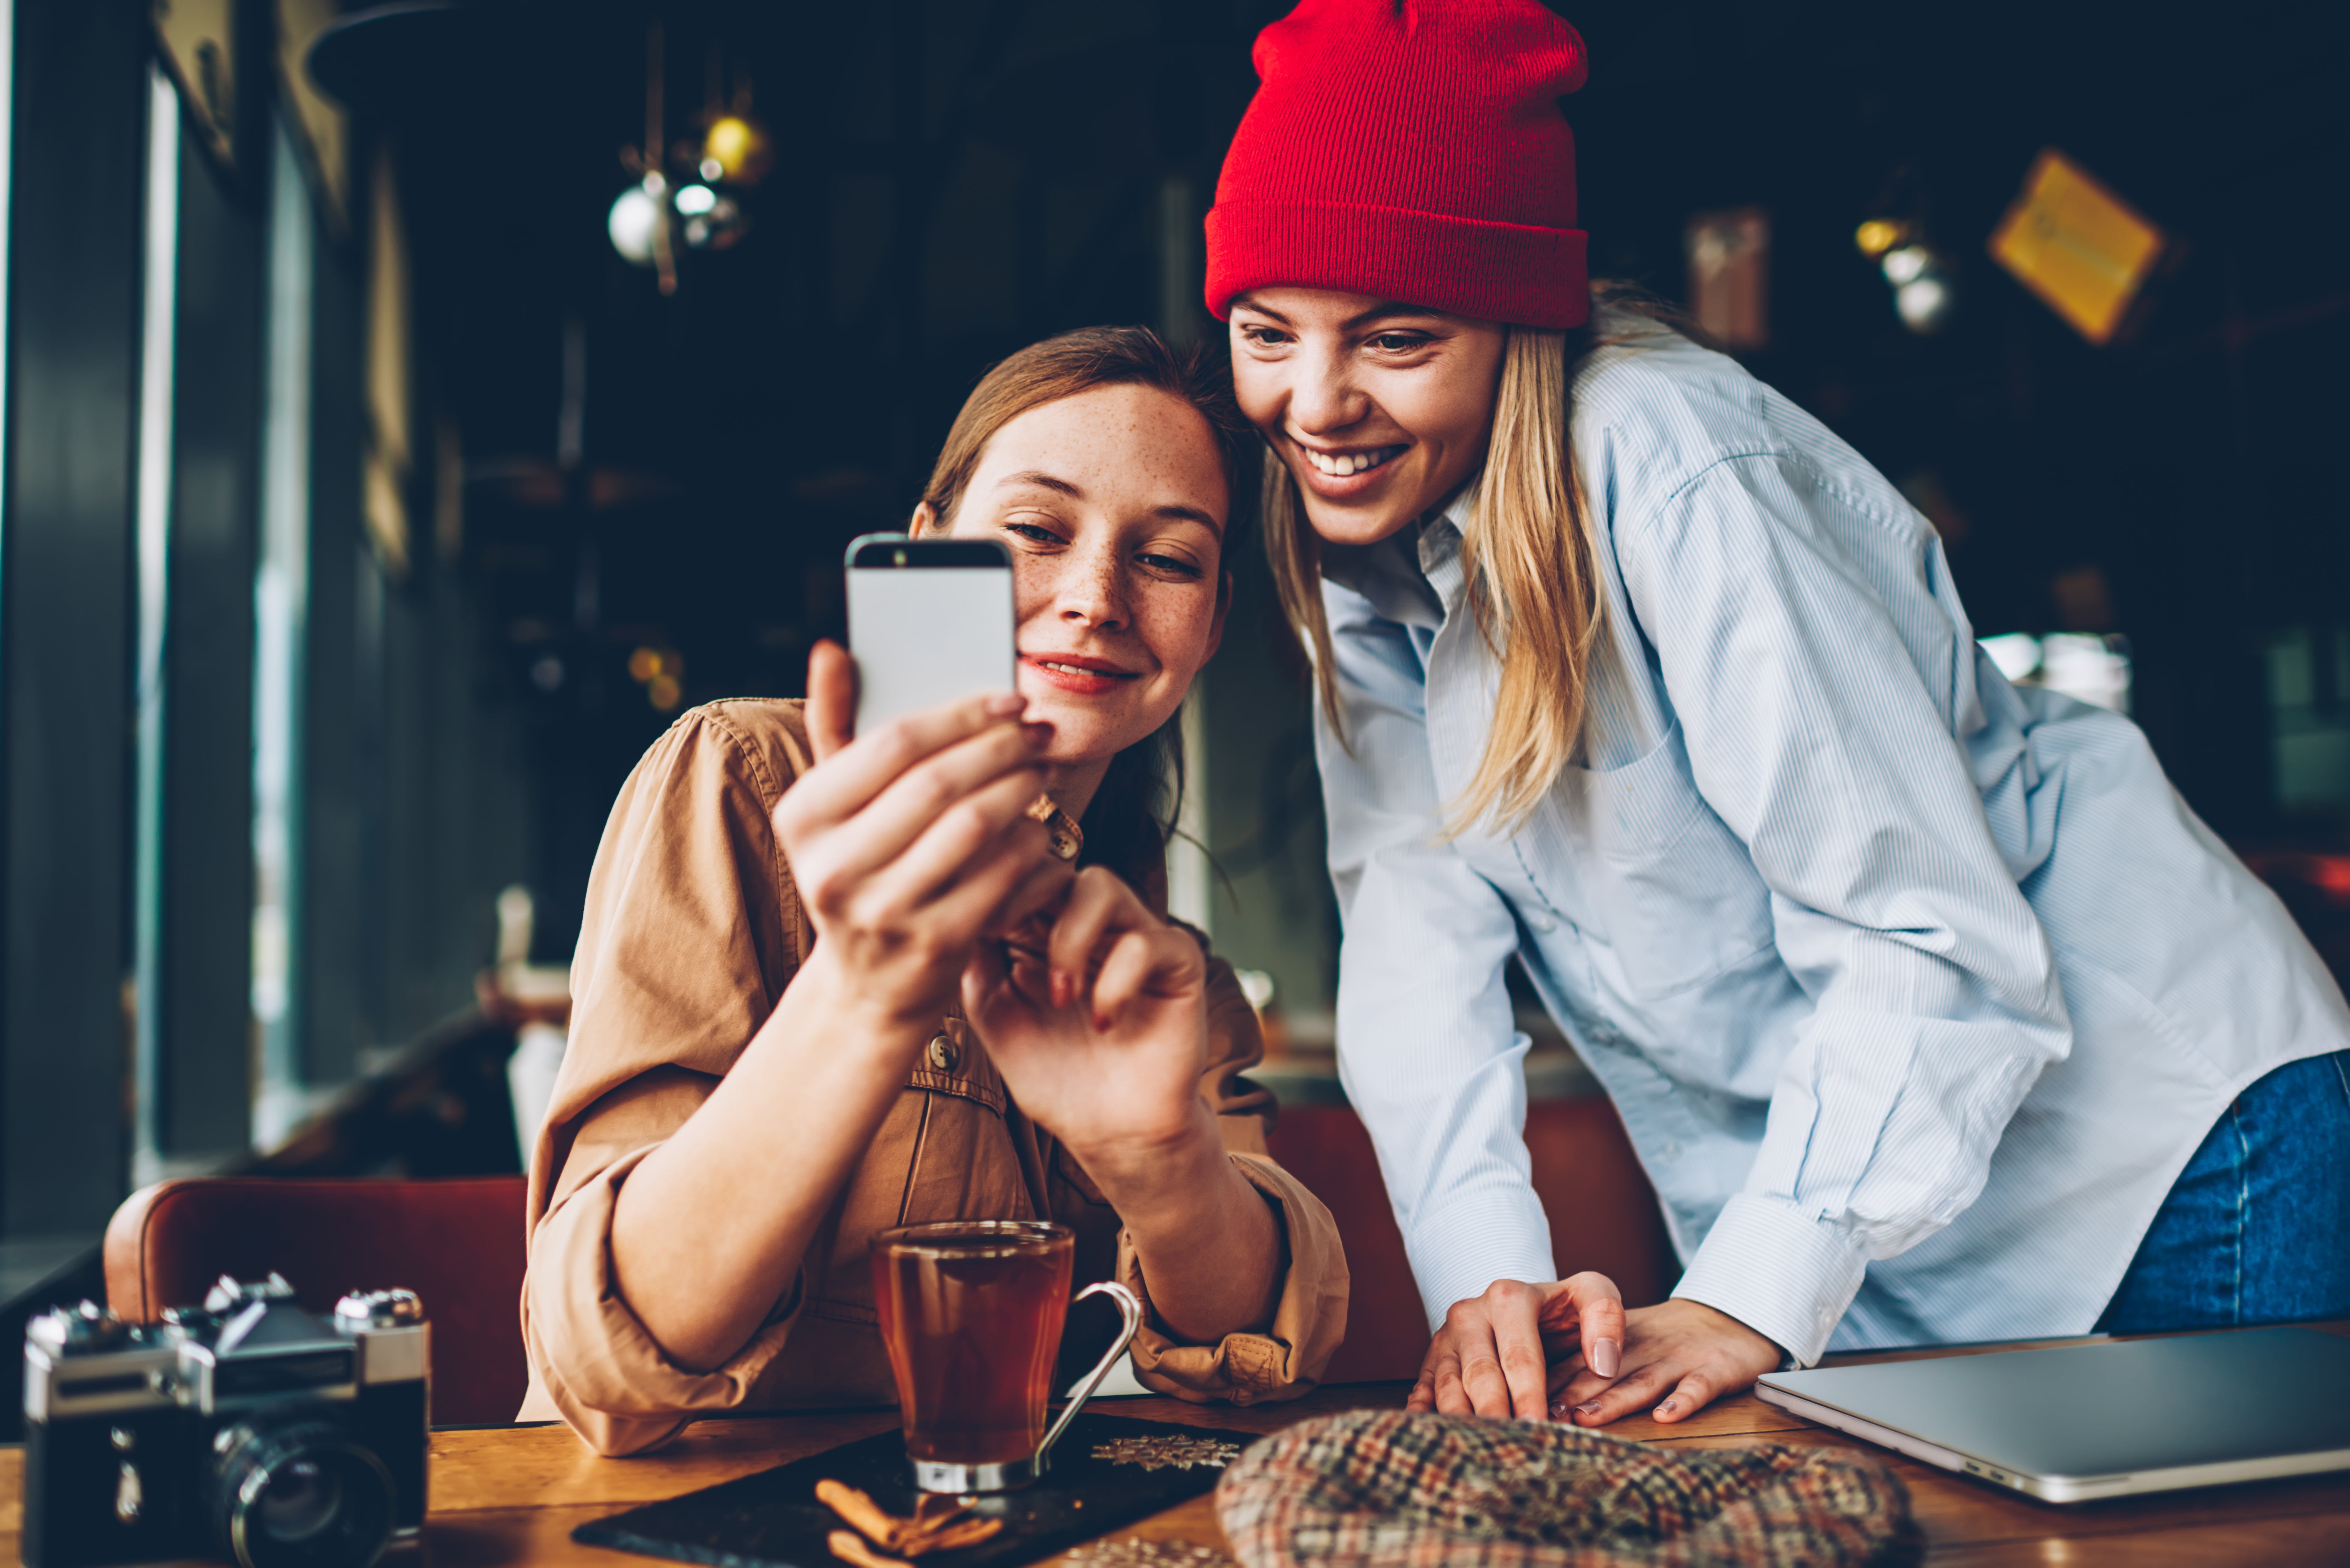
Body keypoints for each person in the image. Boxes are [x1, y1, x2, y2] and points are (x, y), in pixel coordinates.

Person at [1202, 0, 2350, 1429]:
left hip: (2158, 1157)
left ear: (1517, 321)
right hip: (1892, 1224)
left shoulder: (1671, 459)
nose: (1316, 404)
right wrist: (1489, 1286)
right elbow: (1412, 951)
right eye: (1266, 332)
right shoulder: (1367, 551)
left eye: (1394, 337)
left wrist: (1750, 1292)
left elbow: (1924, 930)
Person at [518, 327, 1347, 1454]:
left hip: (977, 1516)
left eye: (1166, 559)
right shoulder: (738, 778)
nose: (1096, 598)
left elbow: (1254, 1347)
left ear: (1209, 624)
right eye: (1036, 533)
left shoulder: (1164, 972)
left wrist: (1162, 1159)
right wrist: (862, 996)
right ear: (929, 545)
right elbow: (604, 1364)